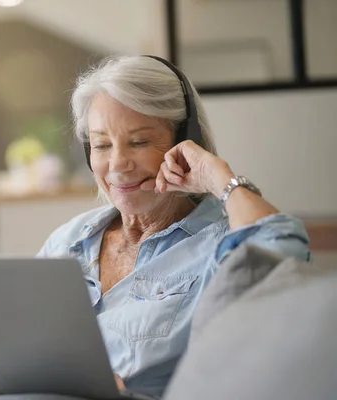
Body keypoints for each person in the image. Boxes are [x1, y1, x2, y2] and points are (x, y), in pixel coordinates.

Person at [37, 56, 310, 398]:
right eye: (102, 145)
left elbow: (284, 251)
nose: (117, 164)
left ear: (186, 140)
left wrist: (217, 178)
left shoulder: (219, 243)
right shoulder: (69, 239)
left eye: (139, 142)